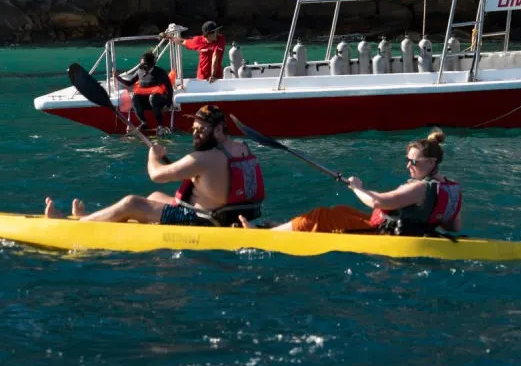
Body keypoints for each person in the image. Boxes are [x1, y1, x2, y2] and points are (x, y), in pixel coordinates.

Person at [44, 105, 265, 227]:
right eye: (195, 129)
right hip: (231, 214)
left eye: (202, 130)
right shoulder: (241, 147)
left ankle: (80, 223)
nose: (196, 134)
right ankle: (101, 217)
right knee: (156, 196)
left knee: (132, 202)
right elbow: (214, 179)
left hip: (204, 221)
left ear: (218, 130)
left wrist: (153, 155)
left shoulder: (203, 159)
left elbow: (157, 174)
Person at [241, 128, 461, 235]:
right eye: (407, 160)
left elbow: (378, 203)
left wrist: (357, 187)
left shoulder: (420, 187)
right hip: (398, 229)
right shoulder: (450, 186)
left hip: (383, 235)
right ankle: (282, 228)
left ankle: (266, 235)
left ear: (432, 162)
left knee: (320, 216)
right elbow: (453, 226)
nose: (408, 166)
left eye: (413, 161)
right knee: (341, 210)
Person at [116, 51, 173, 137]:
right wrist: (118, 78)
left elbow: (169, 88)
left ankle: (160, 125)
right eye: (141, 65)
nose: (143, 67)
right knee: (135, 98)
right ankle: (144, 122)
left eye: (145, 65)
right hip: (146, 101)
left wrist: (168, 105)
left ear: (151, 64)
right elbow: (129, 83)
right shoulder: (140, 71)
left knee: (153, 98)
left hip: (158, 101)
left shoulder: (160, 72)